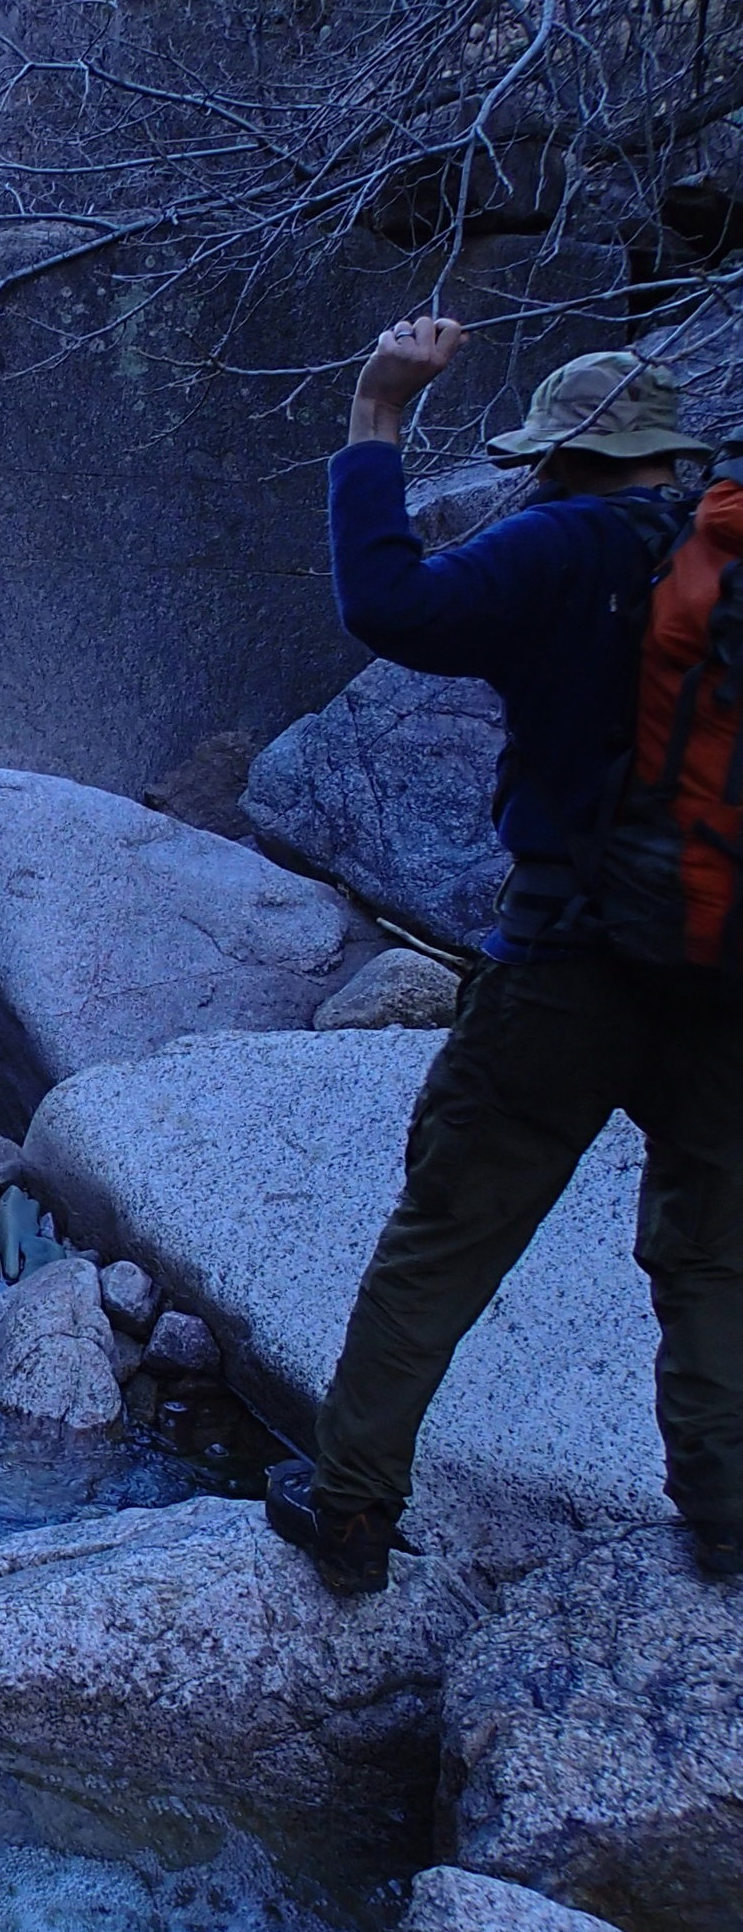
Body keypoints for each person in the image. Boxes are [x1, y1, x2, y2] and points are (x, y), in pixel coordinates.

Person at [265, 321, 743, 1594]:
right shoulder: (718, 558)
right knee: (713, 1252)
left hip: (567, 959)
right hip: (724, 963)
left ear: (560, 458)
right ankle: (728, 1522)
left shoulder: (564, 543)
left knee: (449, 1228)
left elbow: (388, 601)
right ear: (670, 457)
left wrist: (376, 412)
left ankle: (351, 1507)